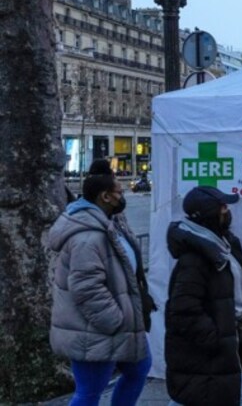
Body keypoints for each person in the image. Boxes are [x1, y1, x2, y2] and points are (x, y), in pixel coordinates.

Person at [49, 160, 154, 406]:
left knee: (139, 370)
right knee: (89, 392)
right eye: (119, 192)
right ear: (105, 197)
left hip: (119, 324)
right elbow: (86, 288)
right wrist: (114, 320)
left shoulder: (111, 222)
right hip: (96, 328)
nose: (123, 195)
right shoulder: (87, 237)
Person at [165, 186, 242, 405]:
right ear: (210, 213)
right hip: (209, 351)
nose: (227, 210)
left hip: (220, 349)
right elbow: (183, 311)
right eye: (222, 206)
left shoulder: (221, 245)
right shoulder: (195, 258)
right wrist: (218, 339)